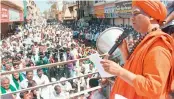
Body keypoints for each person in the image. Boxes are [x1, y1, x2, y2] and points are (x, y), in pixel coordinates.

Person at [100, 0, 174, 99]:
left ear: (151, 16)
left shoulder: (159, 46)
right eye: (131, 14)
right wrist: (124, 50)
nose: (131, 18)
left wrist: (119, 71)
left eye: (135, 13)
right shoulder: (146, 40)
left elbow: (153, 88)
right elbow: (136, 70)